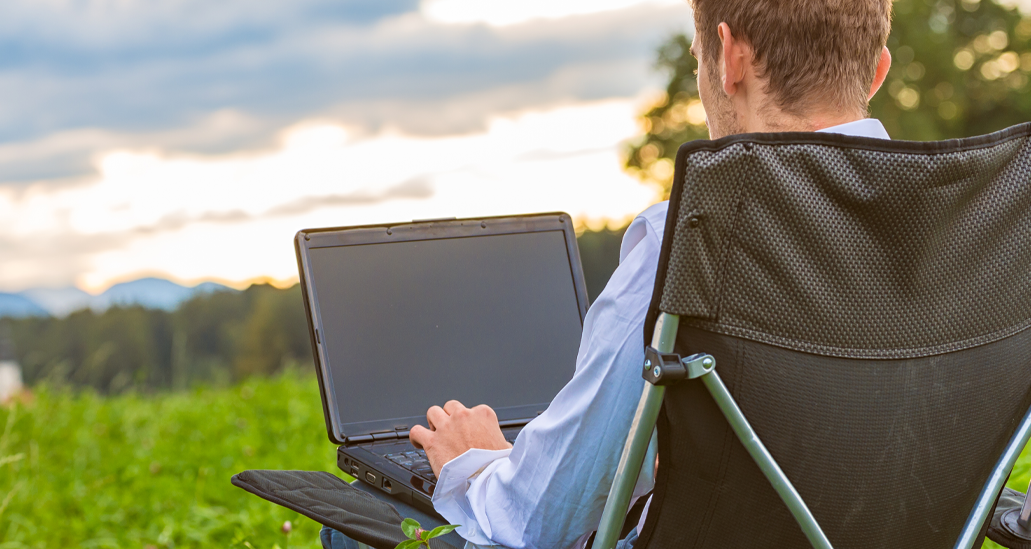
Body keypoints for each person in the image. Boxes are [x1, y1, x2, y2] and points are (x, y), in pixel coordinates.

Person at [321, 1, 897, 548]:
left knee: (358, 519)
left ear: (731, 58)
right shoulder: (963, 234)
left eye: (700, 56)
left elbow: (544, 521)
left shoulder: (692, 240)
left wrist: (476, 462)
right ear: (877, 70)